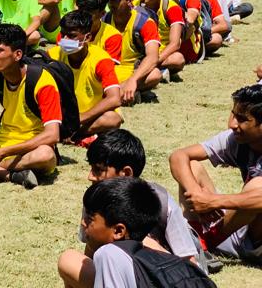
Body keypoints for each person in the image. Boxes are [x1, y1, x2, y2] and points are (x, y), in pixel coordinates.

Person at [58, 129, 202, 288]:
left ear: (125, 173)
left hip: (157, 279)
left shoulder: (161, 201)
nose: (90, 176)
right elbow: (91, 250)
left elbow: (189, 262)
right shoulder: (96, 198)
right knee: (69, 259)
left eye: (98, 169)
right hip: (115, 273)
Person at [170, 83, 262, 265]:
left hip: (257, 243)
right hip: (235, 231)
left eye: (242, 119)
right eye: (233, 114)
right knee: (192, 166)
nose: (232, 124)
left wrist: (212, 201)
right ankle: (199, 243)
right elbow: (178, 156)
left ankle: (199, 242)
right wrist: (197, 196)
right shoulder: (235, 139)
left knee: (257, 187)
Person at [0, 24, 61, 189]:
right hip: (0, 144)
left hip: (31, 149)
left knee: (46, 155)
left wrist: (2, 154)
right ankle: (11, 176)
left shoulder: (42, 81)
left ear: (17, 55)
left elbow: (52, 135)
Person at [57, 177, 164, 288]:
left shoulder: (108, 256)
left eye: (90, 218)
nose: (83, 223)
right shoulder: (150, 248)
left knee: (68, 260)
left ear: (118, 231)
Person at [47, 11, 124, 141]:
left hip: (91, 116)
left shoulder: (101, 59)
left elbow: (114, 99)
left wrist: (81, 118)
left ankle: (71, 134)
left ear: (87, 37)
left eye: (71, 36)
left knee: (113, 119)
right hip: (62, 117)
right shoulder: (52, 56)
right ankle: (77, 135)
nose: (65, 40)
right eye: (63, 34)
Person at [102, 0, 163, 102]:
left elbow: (152, 57)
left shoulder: (144, 23)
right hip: (107, 71)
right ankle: (125, 94)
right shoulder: (104, 19)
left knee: (155, 74)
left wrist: (133, 80)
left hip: (132, 71)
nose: (111, 4)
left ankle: (113, 94)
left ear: (129, 1)